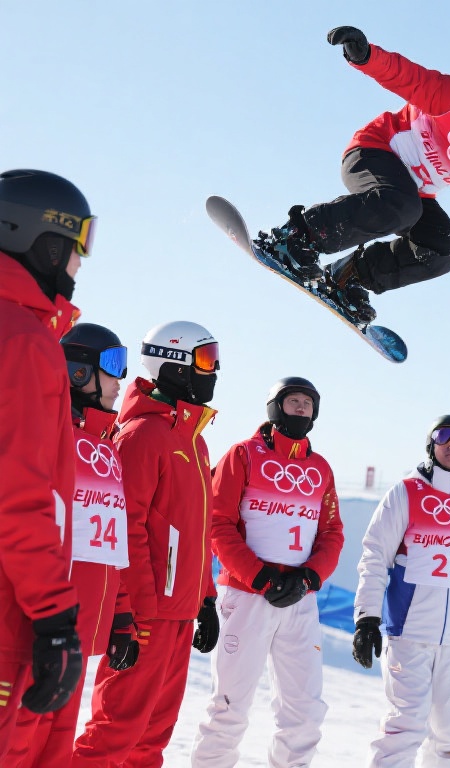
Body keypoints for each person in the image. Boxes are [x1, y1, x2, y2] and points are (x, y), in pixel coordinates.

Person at [266, 25, 450, 324]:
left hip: (409, 195)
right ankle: (300, 235)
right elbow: (408, 77)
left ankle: (350, 276)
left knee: (446, 248)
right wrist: (366, 56)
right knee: (402, 206)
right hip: (371, 153)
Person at [73, 321, 222, 767]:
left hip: (179, 612)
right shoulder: (142, 436)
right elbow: (126, 529)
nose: (213, 370)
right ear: (173, 364)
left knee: (153, 736)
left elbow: (197, 531)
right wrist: (131, 612)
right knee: (115, 733)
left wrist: (206, 599)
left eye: (214, 359)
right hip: (146, 614)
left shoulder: (195, 443)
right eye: (205, 359)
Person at [192, 377, 344, 767]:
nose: (301, 409)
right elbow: (217, 523)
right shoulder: (243, 455)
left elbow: (332, 533)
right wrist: (260, 577)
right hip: (247, 596)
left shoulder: (321, 469)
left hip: (300, 601)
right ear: (275, 407)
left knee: (305, 713)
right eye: (293, 401)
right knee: (229, 707)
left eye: (308, 404)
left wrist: (308, 578)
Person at [8, 324, 138, 767]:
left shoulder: (108, 450)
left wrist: (120, 617)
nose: (121, 381)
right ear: (78, 373)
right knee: (18, 743)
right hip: (43, 629)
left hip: (83, 633)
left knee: (55, 752)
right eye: (114, 366)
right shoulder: (51, 432)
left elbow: (110, 544)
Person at [0, 169, 95, 759]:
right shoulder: (24, 340)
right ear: (46, 240)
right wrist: (55, 614)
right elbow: (17, 490)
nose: (81, 265)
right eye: (79, 247)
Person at [352, 415, 450, 768]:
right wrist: (367, 619)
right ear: (431, 444)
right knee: (405, 727)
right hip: (408, 632)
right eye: (443, 436)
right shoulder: (406, 492)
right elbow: (375, 556)